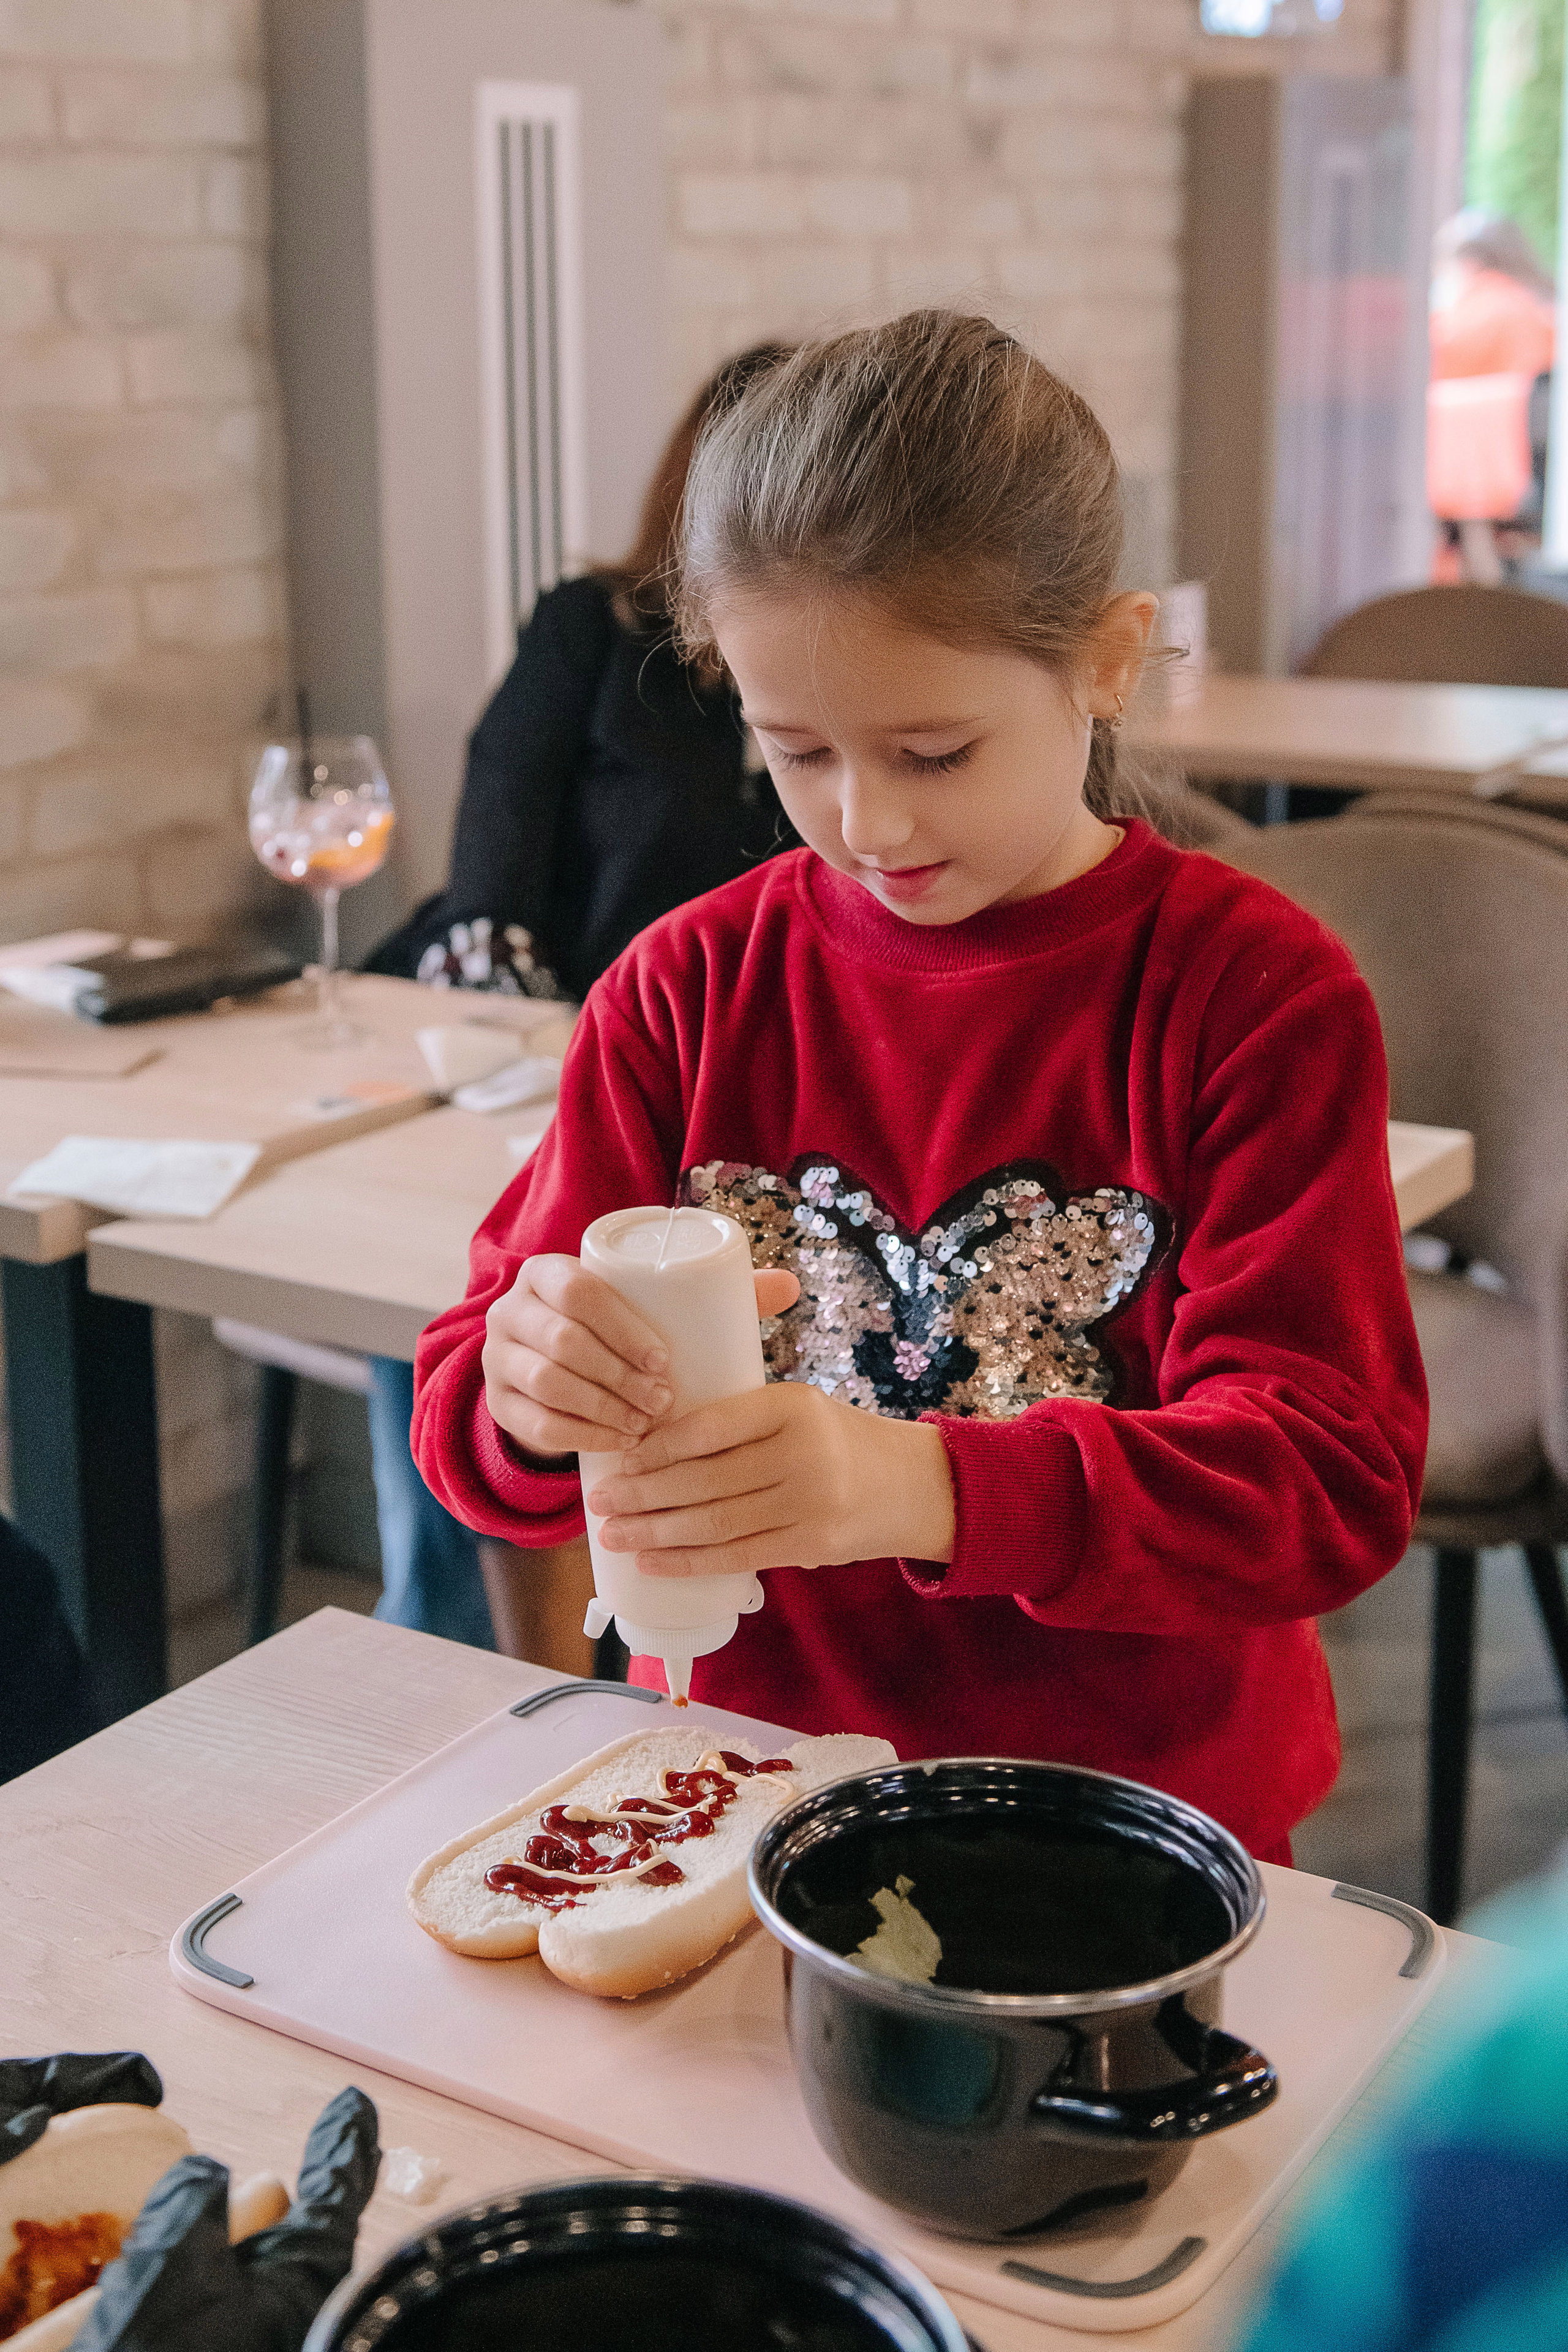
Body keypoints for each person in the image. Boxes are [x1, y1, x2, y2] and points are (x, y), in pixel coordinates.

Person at [412, 311, 1427, 1859]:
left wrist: (924, 1484)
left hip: (1127, 1815)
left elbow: (1320, 1475)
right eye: (794, 749)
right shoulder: (683, 992)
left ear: (1104, 656)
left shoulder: (1246, 992)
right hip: (744, 1786)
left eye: (934, 751)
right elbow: (473, 1395)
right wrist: (522, 1386)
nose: (864, 820)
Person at [360, 344, 795, 1657]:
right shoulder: (591, 632)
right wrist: (569, 1047)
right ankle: (457, 1647)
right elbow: (491, 864)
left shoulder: (851, 707)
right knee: (465, 1283)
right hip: (548, 1039)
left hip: (738, 1093)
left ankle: (656, 1620)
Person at [1427, 208, 1556, 582]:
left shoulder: (1480, 312)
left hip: (1483, 483)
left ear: (1468, 263)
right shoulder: (1539, 308)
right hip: (1525, 482)